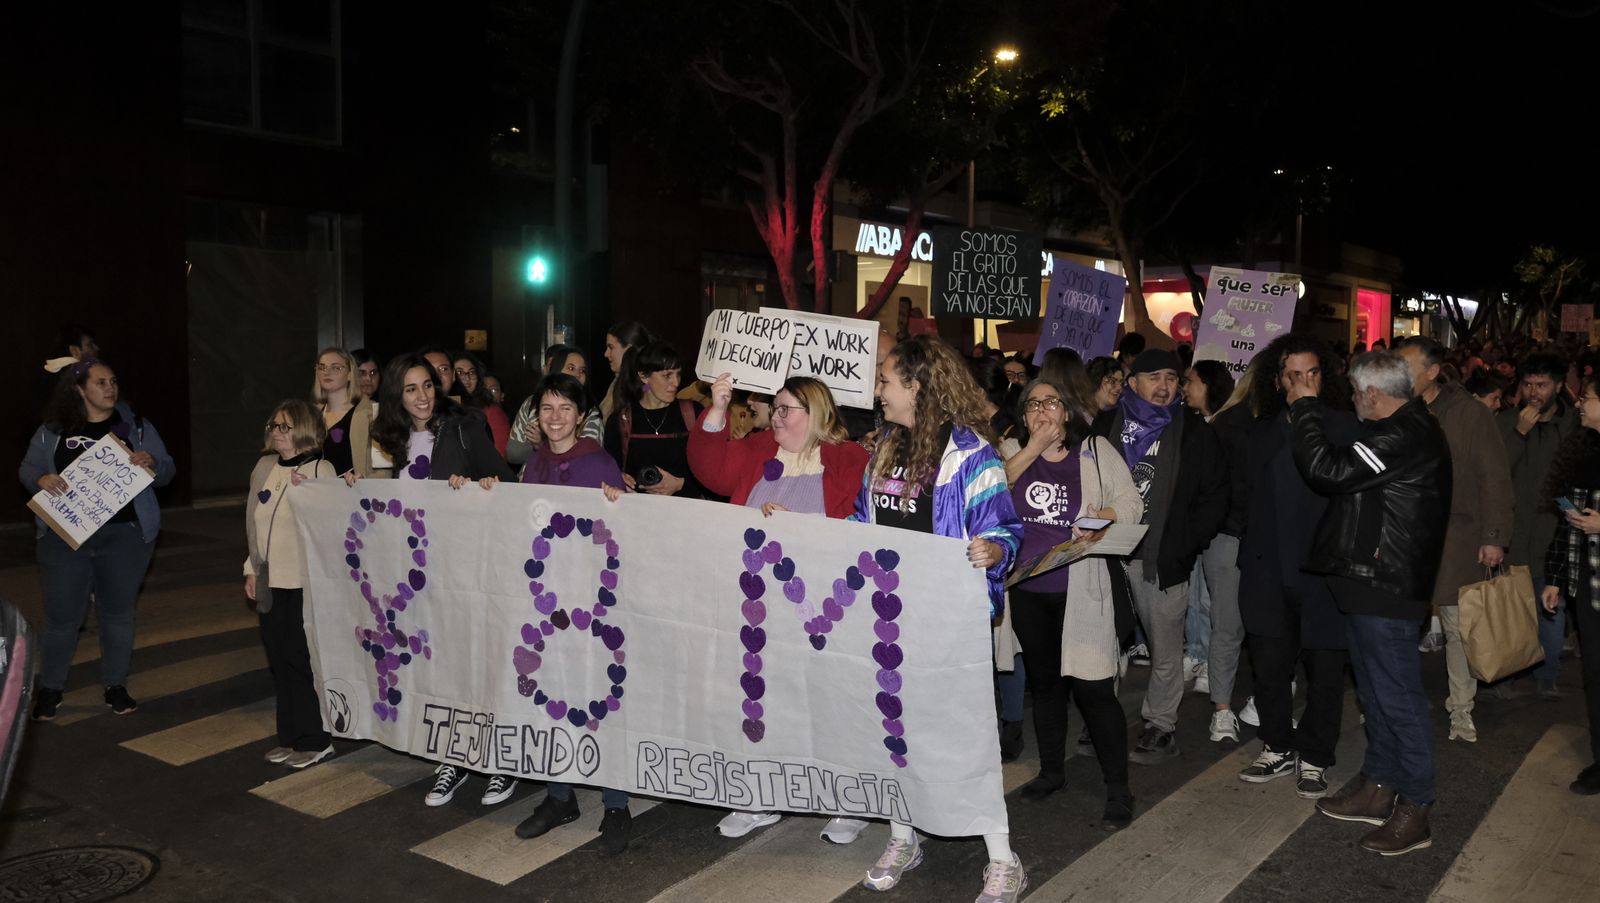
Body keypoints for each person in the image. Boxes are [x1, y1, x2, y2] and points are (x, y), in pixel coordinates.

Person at [851, 335, 1026, 903]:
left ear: (917, 385)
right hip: (890, 621)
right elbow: (860, 524)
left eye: (886, 380)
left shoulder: (974, 456)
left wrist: (994, 550)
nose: (878, 390)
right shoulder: (883, 448)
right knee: (895, 735)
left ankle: (1002, 858)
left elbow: (1005, 529)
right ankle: (903, 838)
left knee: (966, 739)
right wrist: (798, 533)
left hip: (948, 625)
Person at [689, 372, 871, 843]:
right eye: (776, 408)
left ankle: (849, 802)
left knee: (829, 703)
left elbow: (862, 526)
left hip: (822, 608)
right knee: (761, 699)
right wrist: (717, 408)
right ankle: (761, 796)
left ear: (817, 413)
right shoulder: (756, 450)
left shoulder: (849, 459)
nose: (776, 417)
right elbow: (710, 471)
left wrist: (801, 531)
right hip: (758, 606)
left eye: (787, 410)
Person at [1290, 350, 1450, 856]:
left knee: (1397, 698)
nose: (1354, 401)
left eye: (1357, 393)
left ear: (1373, 394)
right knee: (1377, 695)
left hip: (1387, 586)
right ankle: (1379, 785)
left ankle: (1416, 805)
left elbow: (1326, 469)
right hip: (1370, 582)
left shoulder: (1404, 434)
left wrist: (1305, 408)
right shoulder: (1400, 429)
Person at [367, 353, 514, 807]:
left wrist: (480, 489)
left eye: (428, 385)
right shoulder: (392, 439)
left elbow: (506, 482)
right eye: (411, 389)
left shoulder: (463, 426)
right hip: (423, 574)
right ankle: (456, 755)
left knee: (483, 662)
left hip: (470, 567)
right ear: (396, 395)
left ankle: (499, 761)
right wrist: (355, 486)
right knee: (445, 667)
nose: (422, 396)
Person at [1001, 376, 1142, 829]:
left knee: (1094, 689)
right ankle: (1052, 772)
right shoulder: (1010, 451)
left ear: (1066, 411)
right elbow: (987, 495)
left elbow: (1132, 503)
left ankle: (1118, 789)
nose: (1042, 410)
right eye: (1032, 404)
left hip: (1082, 592)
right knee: (1045, 687)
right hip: (1028, 592)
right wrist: (1032, 448)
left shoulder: (1095, 451)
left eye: (1051, 403)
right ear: (1023, 415)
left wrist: (1103, 516)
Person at [510, 373, 634, 854]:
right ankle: (559, 796)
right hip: (549, 600)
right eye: (547, 408)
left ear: (582, 416)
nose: (556, 417)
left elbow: (623, 531)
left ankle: (616, 804)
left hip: (594, 602)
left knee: (602, 696)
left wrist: (621, 505)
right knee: (554, 693)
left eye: (565, 408)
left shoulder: (599, 463)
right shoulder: (533, 465)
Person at [1089, 348, 1228, 765]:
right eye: (1153, 377)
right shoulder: (1106, 425)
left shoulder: (1194, 431)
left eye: (1171, 377)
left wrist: (1186, 542)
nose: (1164, 386)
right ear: (1132, 383)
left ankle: (1160, 725)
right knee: (1102, 642)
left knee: (1165, 648)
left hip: (1161, 556)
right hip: (1107, 552)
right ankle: (1102, 720)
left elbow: (1215, 495)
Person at [1235, 337, 1359, 799]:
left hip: (1324, 574)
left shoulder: (1345, 427)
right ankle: (1277, 745)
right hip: (1268, 571)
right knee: (1269, 666)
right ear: (1277, 381)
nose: (1304, 383)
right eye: (1294, 375)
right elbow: (1242, 493)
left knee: (1325, 671)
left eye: (1312, 373)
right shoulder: (1261, 431)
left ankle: (1315, 755)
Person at [23, 360, 176, 721]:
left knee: (118, 614)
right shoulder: (53, 430)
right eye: (101, 382)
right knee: (62, 617)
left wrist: (152, 464)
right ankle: (51, 689)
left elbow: (167, 470)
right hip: (65, 537)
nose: (110, 388)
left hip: (125, 538)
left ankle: (115, 686)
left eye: (113, 381)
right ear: (79, 389)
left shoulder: (136, 427)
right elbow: (28, 469)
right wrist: (41, 479)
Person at [1397, 337, 1512, 743]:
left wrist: (1493, 536)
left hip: (1455, 536)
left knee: (1457, 627)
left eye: (1407, 368)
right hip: (1405, 538)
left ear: (1432, 373)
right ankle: (1391, 701)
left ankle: (1461, 708)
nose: (1398, 375)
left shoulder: (1468, 414)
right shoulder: (1395, 409)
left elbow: (1494, 476)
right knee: (1397, 625)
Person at [244, 400, 338, 769]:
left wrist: (311, 496)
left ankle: (317, 739)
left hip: (304, 583)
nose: (277, 432)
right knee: (279, 660)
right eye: (274, 425)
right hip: (271, 579)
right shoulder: (264, 467)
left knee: (301, 660)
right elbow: (254, 523)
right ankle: (290, 736)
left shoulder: (320, 469)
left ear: (304, 429)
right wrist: (251, 569)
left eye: (285, 426)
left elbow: (332, 527)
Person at [1498, 352, 1581, 696]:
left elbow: (1576, 475)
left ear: (1558, 386)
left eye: (1542, 385)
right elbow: (1496, 471)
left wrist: (1568, 511)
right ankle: (1505, 674)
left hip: (1553, 529)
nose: (1534, 392)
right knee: (1511, 606)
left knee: (1550, 604)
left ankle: (1548, 675)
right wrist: (1519, 433)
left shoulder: (1573, 424)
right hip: (1514, 529)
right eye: (1528, 384)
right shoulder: (1507, 421)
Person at [1181, 359, 1248, 742]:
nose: (1184, 388)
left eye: (1190, 381)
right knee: (1217, 615)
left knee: (1226, 619)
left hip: (1233, 536)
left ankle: (1236, 697)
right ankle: (1221, 704)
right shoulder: (1202, 426)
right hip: (1219, 537)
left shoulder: (1231, 427)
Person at [1540, 375, 1600, 794]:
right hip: (1587, 588)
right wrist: (1556, 579)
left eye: (1588, 397)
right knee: (1594, 676)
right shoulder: (1583, 449)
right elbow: (1567, 526)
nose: (1579, 403)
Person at [603, 341, 704, 499]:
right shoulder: (620, 421)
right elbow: (607, 472)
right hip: (637, 511)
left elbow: (713, 472)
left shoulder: (693, 413)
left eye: (678, 374)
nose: (676, 382)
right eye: (667, 375)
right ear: (644, 376)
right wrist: (618, 479)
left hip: (687, 510)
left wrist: (681, 484)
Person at [508, 344, 604, 469]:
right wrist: (538, 447)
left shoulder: (590, 412)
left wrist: (543, 444)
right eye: (571, 368)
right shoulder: (532, 402)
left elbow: (585, 459)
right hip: (531, 477)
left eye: (582, 371)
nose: (577, 374)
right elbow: (513, 453)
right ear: (556, 370)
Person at [312, 347, 382, 479]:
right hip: (318, 491)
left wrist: (364, 482)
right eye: (322, 367)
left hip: (356, 491)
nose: (327, 372)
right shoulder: (310, 416)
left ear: (350, 374)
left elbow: (384, 469)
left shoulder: (372, 413)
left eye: (336, 367)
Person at [452, 351, 510, 457]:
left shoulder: (490, 410)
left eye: (472, 372)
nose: (467, 377)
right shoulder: (439, 406)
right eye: (459, 372)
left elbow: (499, 455)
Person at [599, 321, 652, 421]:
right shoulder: (616, 382)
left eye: (611, 347)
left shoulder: (648, 386)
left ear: (628, 349)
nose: (606, 354)